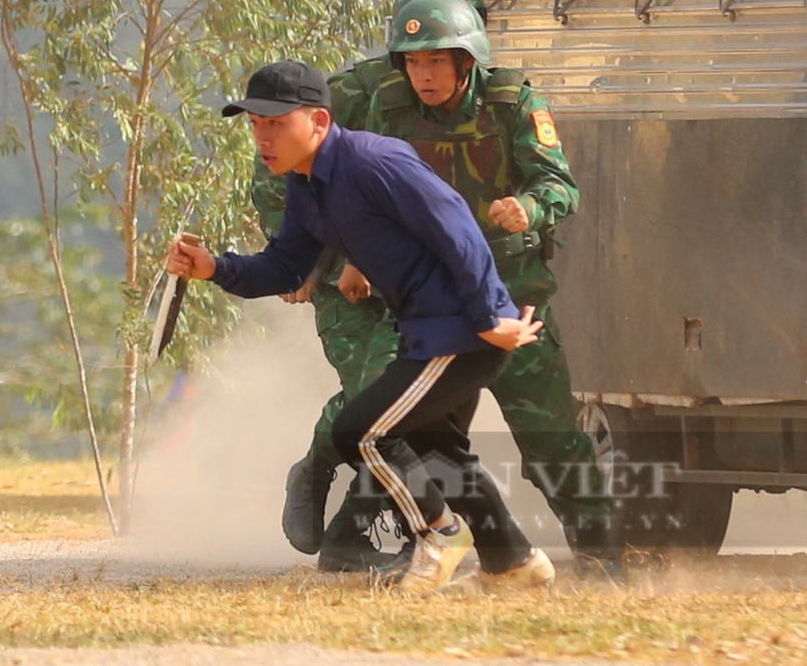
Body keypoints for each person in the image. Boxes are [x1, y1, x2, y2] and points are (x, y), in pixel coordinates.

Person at [171, 58, 555, 594]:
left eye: (276, 122)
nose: (263, 136)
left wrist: (492, 316)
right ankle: (514, 561)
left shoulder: (373, 163)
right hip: (432, 331)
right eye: (255, 123)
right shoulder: (308, 188)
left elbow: (457, 229)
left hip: (462, 331)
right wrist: (215, 268)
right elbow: (285, 268)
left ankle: (438, 534)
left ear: (320, 122)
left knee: (361, 433)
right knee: (438, 452)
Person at [375, 0, 619, 573]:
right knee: (415, 437)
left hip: (514, 302)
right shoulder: (388, 110)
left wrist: (529, 208)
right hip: (433, 307)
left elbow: (561, 185)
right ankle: (454, 554)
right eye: (413, 61)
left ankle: (604, 560)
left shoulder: (513, 104)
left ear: (466, 61)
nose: (423, 75)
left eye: (436, 60)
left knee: (551, 440)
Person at [264, 0, 492, 571]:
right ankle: (316, 467)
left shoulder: (491, 95)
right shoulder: (357, 92)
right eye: (417, 47)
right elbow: (292, 176)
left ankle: (351, 537)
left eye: (450, 37)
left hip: (432, 288)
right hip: (354, 284)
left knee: (423, 415)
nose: (431, 58)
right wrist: (321, 259)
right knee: (378, 397)